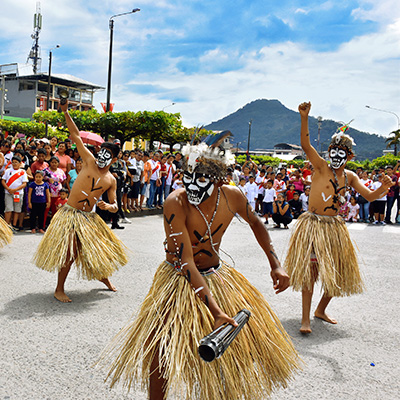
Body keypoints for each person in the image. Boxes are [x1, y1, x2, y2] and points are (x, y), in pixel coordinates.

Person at [100, 141, 299, 400]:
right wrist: (215, 310)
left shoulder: (233, 196)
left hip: (216, 274)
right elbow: (186, 262)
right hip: (178, 279)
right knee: (160, 347)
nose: (192, 184)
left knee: (233, 350)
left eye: (202, 178)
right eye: (188, 176)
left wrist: (276, 264)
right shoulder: (176, 202)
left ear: (218, 180)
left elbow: (256, 223)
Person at [284, 102, 394, 334]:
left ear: (349, 156)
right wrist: (304, 118)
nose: (335, 157)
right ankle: (305, 319)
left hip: (334, 228)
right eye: (333, 152)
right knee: (310, 274)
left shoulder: (351, 177)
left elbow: (370, 196)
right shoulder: (320, 166)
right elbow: (305, 144)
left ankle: (320, 310)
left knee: (339, 273)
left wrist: (383, 188)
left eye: (340, 154)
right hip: (312, 225)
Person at [33, 100, 128, 303]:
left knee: (98, 250)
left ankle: (104, 278)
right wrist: (66, 112)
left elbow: (115, 205)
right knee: (71, 252)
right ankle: (59, 289)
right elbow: (75, 135)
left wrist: (108, 206)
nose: (103, 156)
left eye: (108, 155)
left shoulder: (111, 180)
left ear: (114, 160)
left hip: (89, 218)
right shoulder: (88, 159)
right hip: (70, 214)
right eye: (102, 152)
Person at [2, 155, 29, 231]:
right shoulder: (8, 171)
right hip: (8, 193)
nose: (14, 164)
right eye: (13, 162)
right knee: (8, 209)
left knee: (17, 210)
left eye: (16, 162)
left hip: (18, 193)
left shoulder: (22, 172)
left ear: (20, 163)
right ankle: (7, 225)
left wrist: (15, 189)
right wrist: (8, 188)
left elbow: (24, 183)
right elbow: (3, 180)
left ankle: (14, 225)